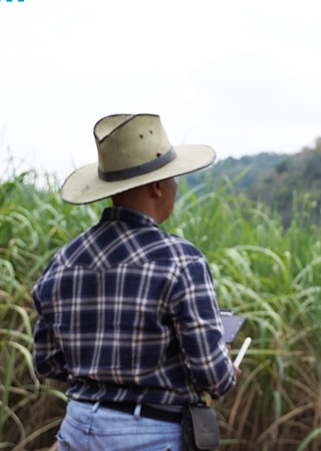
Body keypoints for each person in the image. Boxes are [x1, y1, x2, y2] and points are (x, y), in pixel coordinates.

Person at [32, 113, 239, 450]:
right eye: (173, 178)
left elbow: (47, 360)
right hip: (151, 436)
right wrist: (227, 374)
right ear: (158, 186)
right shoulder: (181, 259)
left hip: (77, 428)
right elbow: (210, 372)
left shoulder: (63, 260)